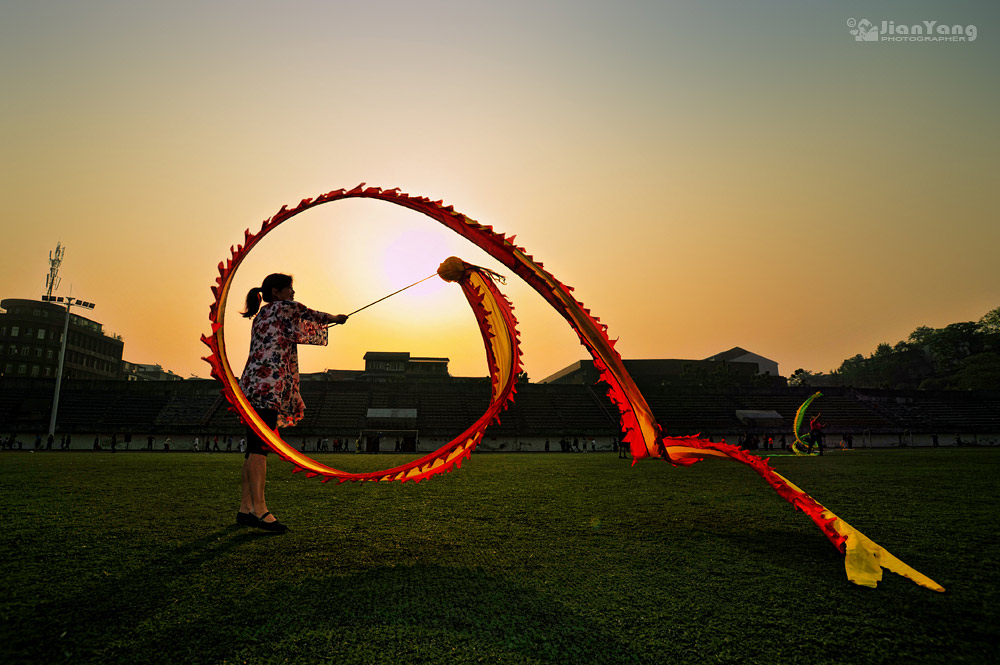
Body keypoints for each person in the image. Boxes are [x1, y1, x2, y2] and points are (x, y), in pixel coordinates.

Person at [236, 273, 348, 534]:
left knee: (252, 447)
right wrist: (336, 319)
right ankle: (260, 510)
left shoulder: (263, 315)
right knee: (259, 448)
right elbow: (310, 315)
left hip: (252, 384)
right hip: (267, 385)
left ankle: (245, 508)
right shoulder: (284, 308)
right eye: (290, 289)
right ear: (277, 291)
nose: (293, 293)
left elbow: (297, 331)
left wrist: (327, 325)